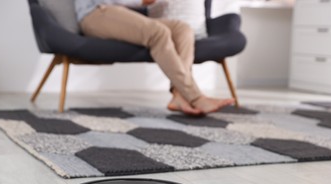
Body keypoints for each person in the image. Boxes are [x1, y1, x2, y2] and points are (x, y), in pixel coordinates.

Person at [74, 0, 235, 115]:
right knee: (158, 32)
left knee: (183, 29)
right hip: (95, 13)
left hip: (120, 12)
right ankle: (196, 96)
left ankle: (179, 95)